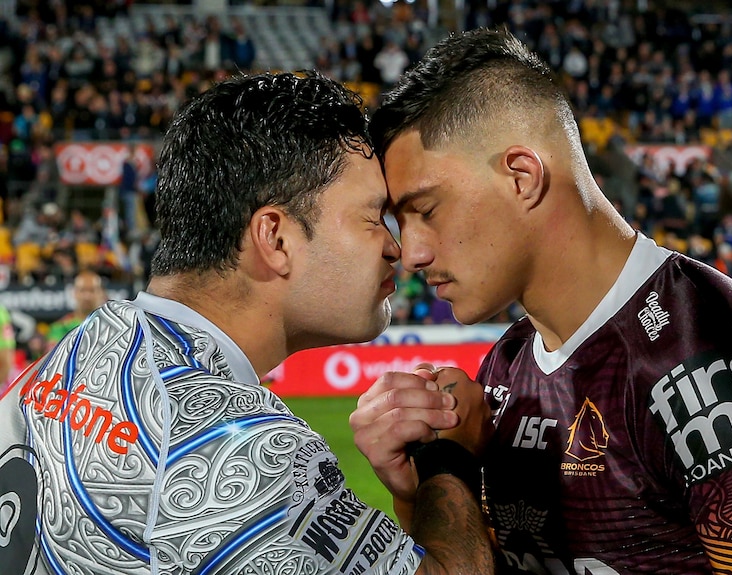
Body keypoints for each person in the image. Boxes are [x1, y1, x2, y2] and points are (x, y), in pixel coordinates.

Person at [350, 28, 732, 574]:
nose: (412, 254)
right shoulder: (505, 365)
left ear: (521, 177)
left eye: (425, 210)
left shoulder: (716, 366)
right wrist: (423, 487)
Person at [0, 71, 493, 575]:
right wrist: (450, 461)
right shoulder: (242, 444)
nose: (399, 248)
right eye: (372, 218)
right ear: (275, 238)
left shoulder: (75, 350)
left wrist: (411, 502)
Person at [46, 269, 108, 349]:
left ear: (101, 293)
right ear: (74, 293)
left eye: (92, 291)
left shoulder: (110, 327)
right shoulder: (59, 327)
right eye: (82, 290)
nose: (87, 296)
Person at [0, 303, 15, 388]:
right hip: (5, 344)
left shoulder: (2, 310)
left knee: (7, 368)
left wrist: (9, 345)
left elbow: (6, 327)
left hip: (6, 344)